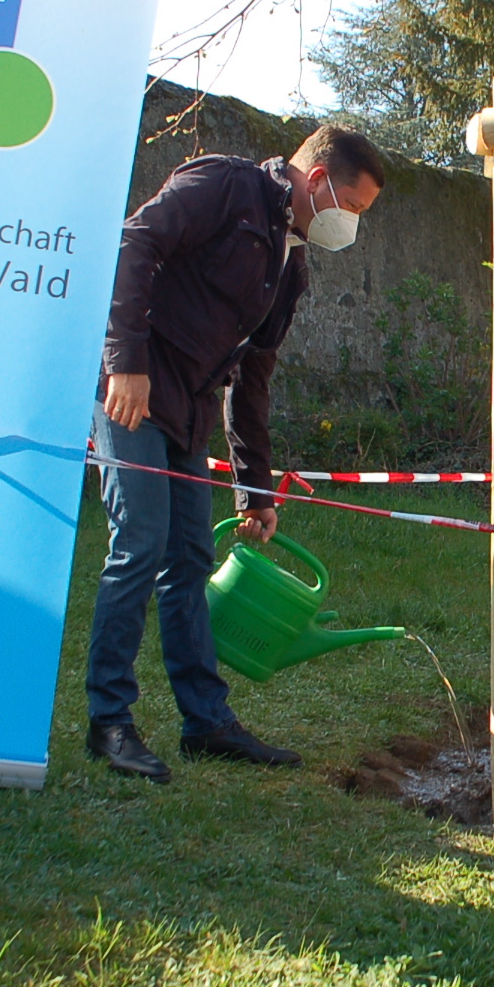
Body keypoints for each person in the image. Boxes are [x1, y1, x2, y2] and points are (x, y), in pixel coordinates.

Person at [85, 124, 386, 782]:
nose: (353, 226)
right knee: (141, 539)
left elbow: (251, 383)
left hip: (188, 409)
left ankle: (206, 723)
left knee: (190, 556)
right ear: (316, 181)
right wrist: (124, 362)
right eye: (353, 208)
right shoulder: (225, 184)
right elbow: (135, 243)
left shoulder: (292, 267)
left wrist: (255, 492)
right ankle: (110, 720)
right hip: (132, 391)